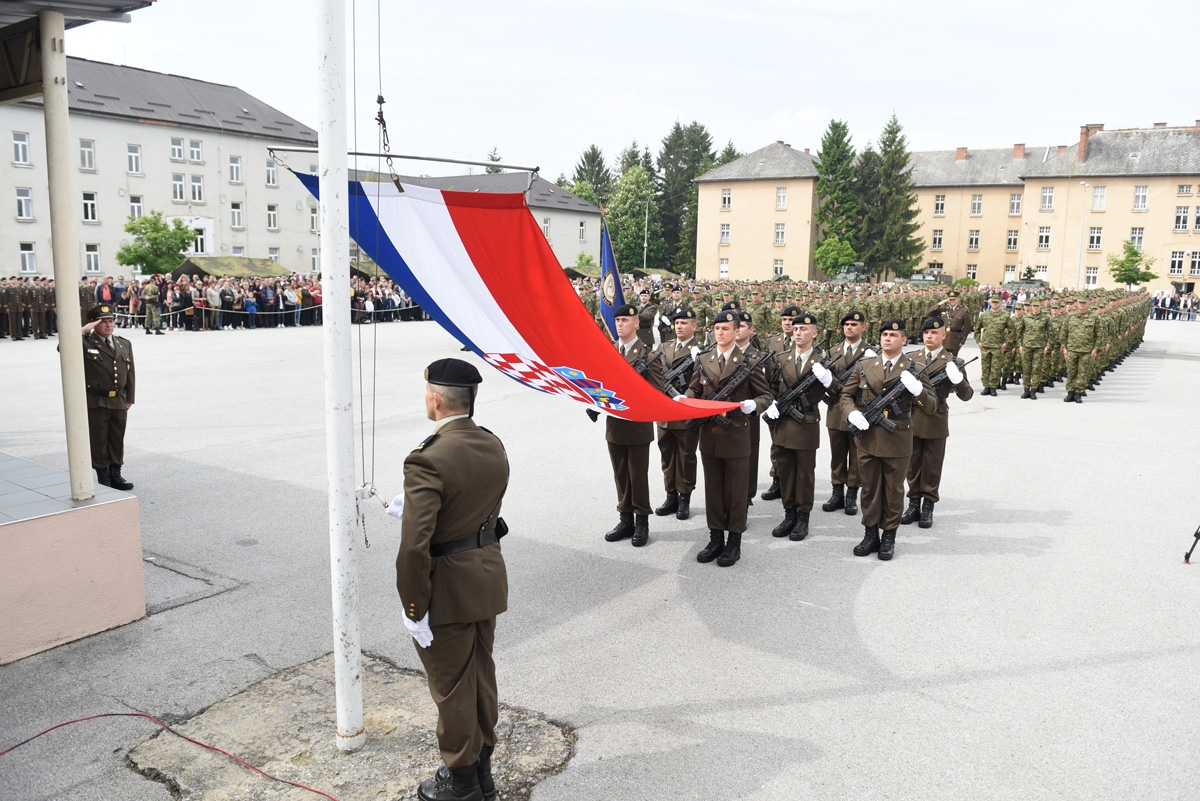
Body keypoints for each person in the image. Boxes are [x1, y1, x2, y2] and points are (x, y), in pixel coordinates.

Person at [393, 358, 509, 801]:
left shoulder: (427, 458)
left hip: (447, 589)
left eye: (427, 394)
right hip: (486, 575)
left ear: (436, 399)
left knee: (453, 688)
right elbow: (479, 502)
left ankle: (461, 785)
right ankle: (482, 775)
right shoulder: (492, 443)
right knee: (480, 676)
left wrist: (413, 608)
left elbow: (413, 550)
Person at [680, 309, 773, 567]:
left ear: (736, 331)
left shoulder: (749, 361)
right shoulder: (703, 358)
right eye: (717, 329)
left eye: (726, 329)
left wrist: (753, 405)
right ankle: (715, 537)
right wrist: (685, 397)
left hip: (736, 434)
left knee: (735, 491)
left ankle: (734, 541)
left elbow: (766, 395)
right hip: (709, 435)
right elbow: (695, 386)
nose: (720, 333)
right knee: (714, 490)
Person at [838, 319, 936, 561]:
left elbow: (931, 406)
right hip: (869, 438)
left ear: (904, 340)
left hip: (897, 439)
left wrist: (918, 392)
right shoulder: (864, 365)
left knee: (893, 491)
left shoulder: (915, 367)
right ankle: (870, 534)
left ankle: (889, 536)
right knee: (869, 489)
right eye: (884, 334)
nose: (887, 338)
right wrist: (851, 412)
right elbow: (845, 396)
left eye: (893, 334)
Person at [762, 310, 838, 542]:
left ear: (814, 333)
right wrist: (769, 403)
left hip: (805, 422)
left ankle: (802, 517)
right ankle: (789, 514)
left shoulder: (823, 362)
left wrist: (828, 380)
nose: (798, 332)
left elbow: (837, 394)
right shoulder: (781, 357)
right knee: (785, 470)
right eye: (795, 329)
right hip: (783, 422)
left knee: (804, 473)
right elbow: (771, 387)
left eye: (803, 329)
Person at [600, 303, 664, 546]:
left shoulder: (648, 355)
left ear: (636, 323)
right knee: (620, 475)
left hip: (637, 426)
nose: (620, 324)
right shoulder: (609, 352)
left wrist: (633, 392)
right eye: (617, 321)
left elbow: (657, 391)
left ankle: (642, 521)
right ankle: (625, 519)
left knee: (638, 476)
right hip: (614, 425)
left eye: (625, 320)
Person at [900, 318, 973, 529]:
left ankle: (928, 506)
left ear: (943, 335)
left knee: (932, 465)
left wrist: (958, 381)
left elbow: (967, 395)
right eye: (926, 333)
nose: (929, 336)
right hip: (912, 415)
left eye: (934, 333)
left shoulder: (953, 362)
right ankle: (913, 504)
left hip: (936, 418)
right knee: (912, 465)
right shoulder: (911, 358)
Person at [821, 310, 874, 516]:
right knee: (837, 454)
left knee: (857, 453)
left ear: (864, 327)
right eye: (846, 324)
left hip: (859, 409)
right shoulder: (833, 352)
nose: (849, 327)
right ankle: (837, 492)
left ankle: (852, 494)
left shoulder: (870, 353)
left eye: (854, 324)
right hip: (836, 409)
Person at [79, 304, 136, 490]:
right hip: (97, 401)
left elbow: (131, 373)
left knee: (117, 438)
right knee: (99, 440)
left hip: (119, 400)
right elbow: (63, 347)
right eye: (103, 322)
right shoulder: (85, 342)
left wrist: (130, 397)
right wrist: (81, 331)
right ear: (93, 324)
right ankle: (103, 477)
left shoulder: (123, 343)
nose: (108, 325)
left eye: (111, 321)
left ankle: (115, 474)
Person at [654, 307, 701, 521]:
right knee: (667, 455)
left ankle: (684, 498)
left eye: (685, 323)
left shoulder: (701, 350)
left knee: (685, 456)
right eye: (677, 323)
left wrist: (699, 360)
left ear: (694, 326)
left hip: (686, 412)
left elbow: (704, 382)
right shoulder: (664, 347)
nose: (680, 326)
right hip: (665, 412)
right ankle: (670, 495)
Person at [974, 296, 1010, 396]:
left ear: (1000, 303)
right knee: (985, 367)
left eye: (996, 302)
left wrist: (1006, 343)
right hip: (985, 345)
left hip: (998, 346)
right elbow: (977, 330)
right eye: (993, 302)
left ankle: (993, 387)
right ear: (990, 303)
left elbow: (1012, 331)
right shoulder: (984, 315)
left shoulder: (1005, 316)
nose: (994, 304)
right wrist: (979, 342)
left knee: (996, 368)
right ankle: (986, 386)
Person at [927, 290, 972, 356]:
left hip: (955, 339)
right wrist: (939, 304)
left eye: (954, 299)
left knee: (953, 360)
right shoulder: (943, 308)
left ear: (957, 300)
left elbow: (967, 327)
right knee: (941, 359)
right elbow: (929, 313)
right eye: (950, 299)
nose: (952, 301)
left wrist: (963, 340)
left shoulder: (963, 310)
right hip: (943, 338)